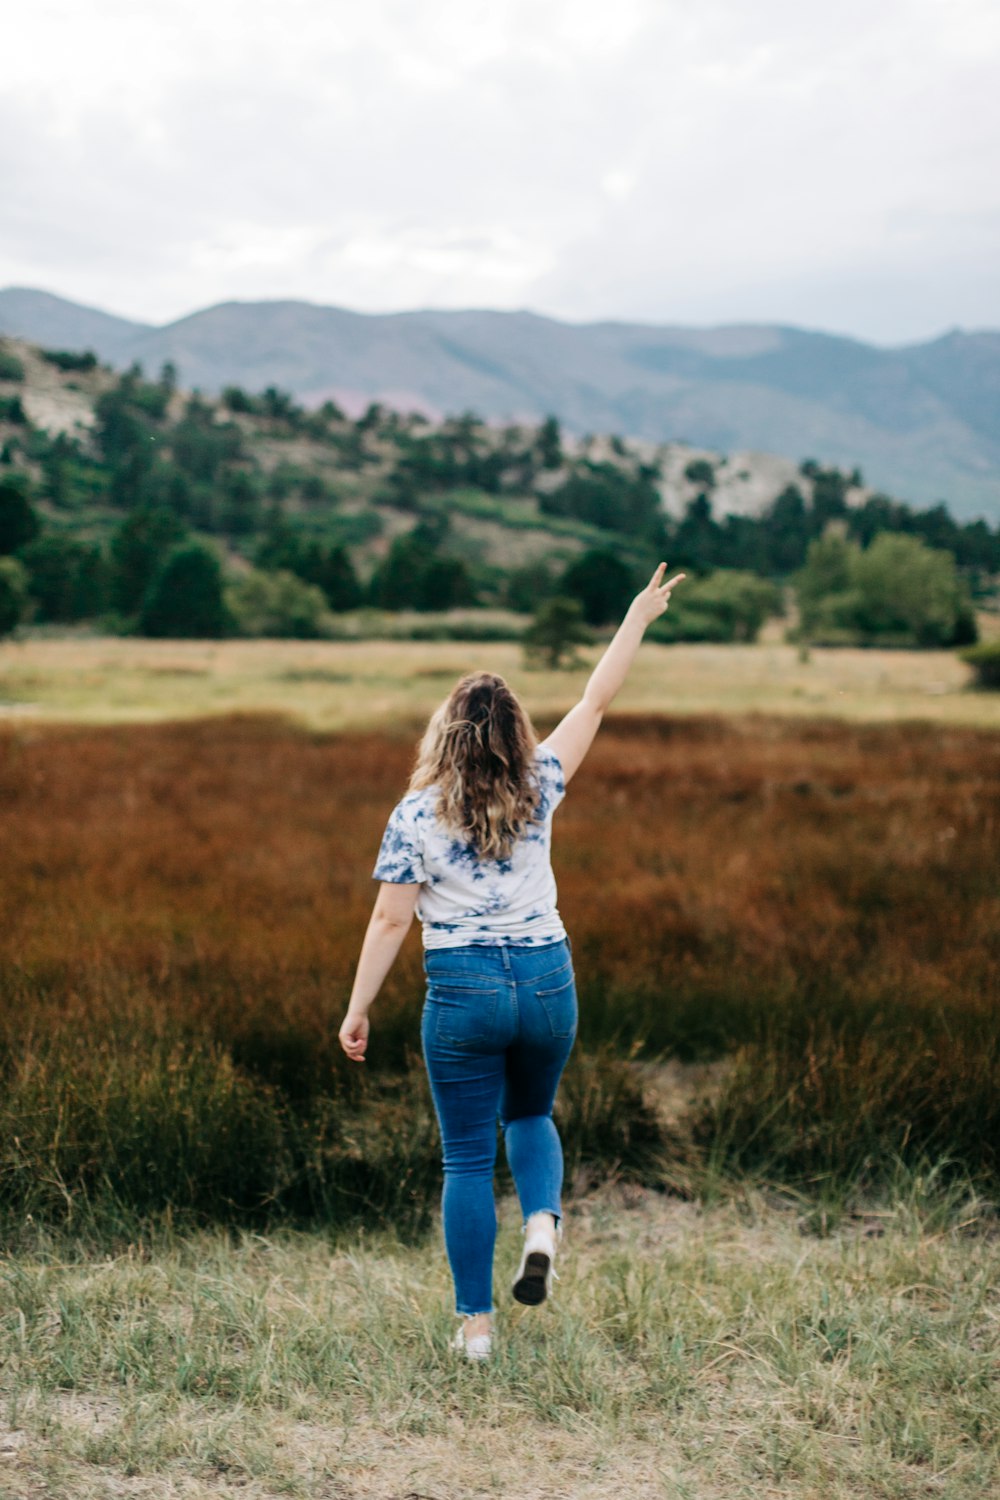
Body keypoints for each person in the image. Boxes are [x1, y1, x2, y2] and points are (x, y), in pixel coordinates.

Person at [338, 562, 685, 1361]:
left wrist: (358, 1010)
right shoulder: (544, 780)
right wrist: (636, 616)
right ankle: (541, 1224)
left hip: (462, 991)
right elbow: (596, 698)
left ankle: (476, 1328)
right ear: (517, 734)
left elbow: (392, 918)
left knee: (465, 1157)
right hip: (547, 981)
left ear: (445, 735)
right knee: (531, 1116)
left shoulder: (414, 814)